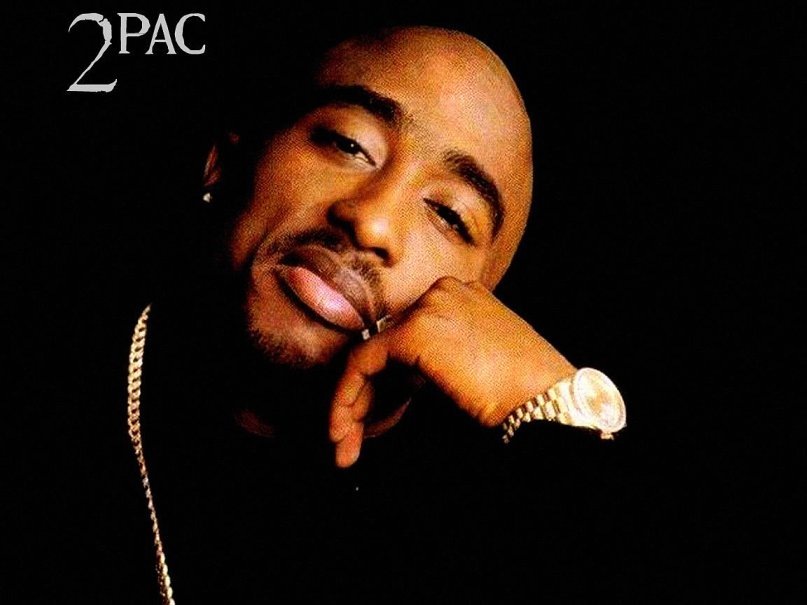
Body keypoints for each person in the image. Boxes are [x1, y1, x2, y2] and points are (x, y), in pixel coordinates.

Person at [17, 25, 631, 604]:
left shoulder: (486, 534)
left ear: (480, 307)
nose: (372, 221)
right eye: (348, 144)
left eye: (447, 214)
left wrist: (556, 405)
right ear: (224, 159)